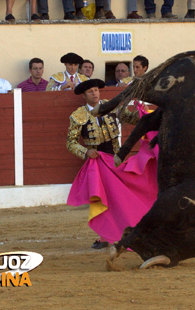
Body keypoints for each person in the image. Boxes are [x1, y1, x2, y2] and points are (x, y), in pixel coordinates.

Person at [66, 78, 157, 249]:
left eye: (96, 90)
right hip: (97, 164)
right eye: (90, 92)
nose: (94, 94)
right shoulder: (78, 115)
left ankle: (127, 230)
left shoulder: (111, 106)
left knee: (121, 197)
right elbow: (70, 142)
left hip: (115, 159)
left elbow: (131, 118)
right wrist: (85, 151)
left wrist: (141, 114)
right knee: (104, 198)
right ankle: (105, 235)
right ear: (85, 95)